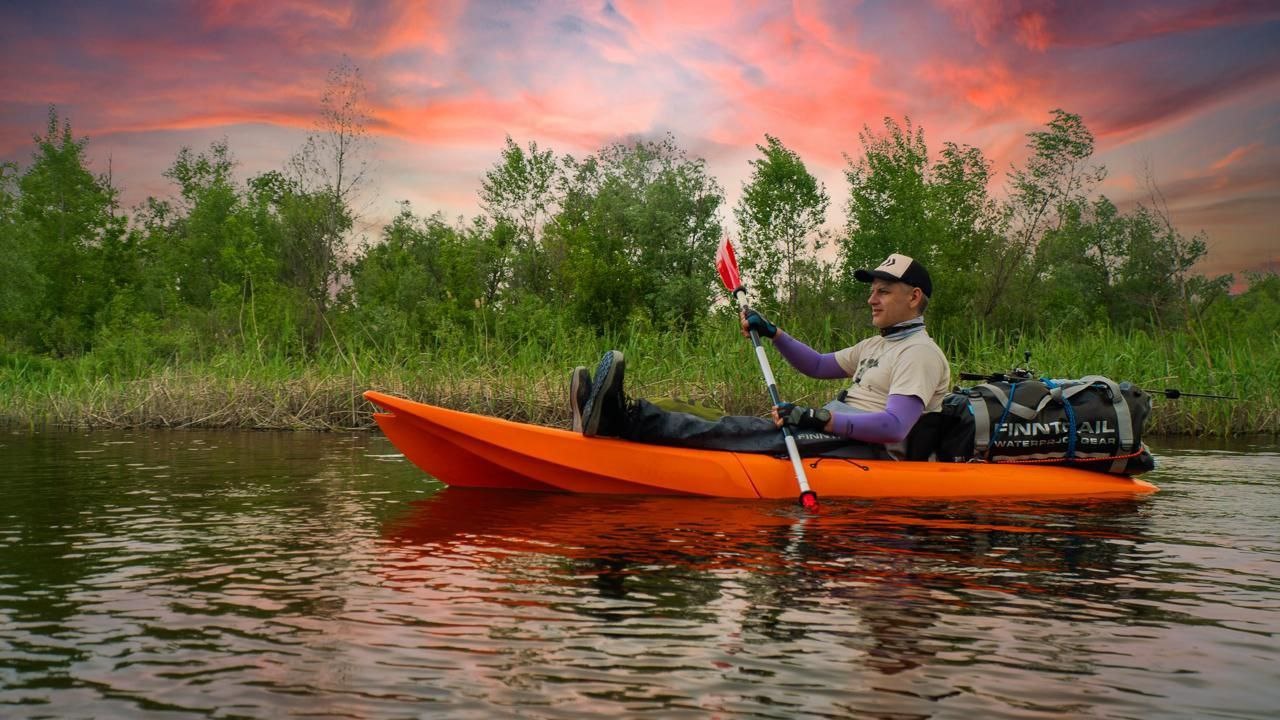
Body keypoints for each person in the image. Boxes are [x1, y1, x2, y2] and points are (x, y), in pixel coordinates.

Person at [570, 253, 951, 459]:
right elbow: (818, 365)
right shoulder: (878, 344)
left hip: (868, 450)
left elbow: (894, 428)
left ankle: (619, 420)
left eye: (883, 291)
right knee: (732, 423)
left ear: (914, 297)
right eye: (873, 291)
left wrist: (818, 418)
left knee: (747, 430)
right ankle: (619, 414)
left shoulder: (919, 354)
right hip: (834, 433)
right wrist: (773, 332)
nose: (871, 299)